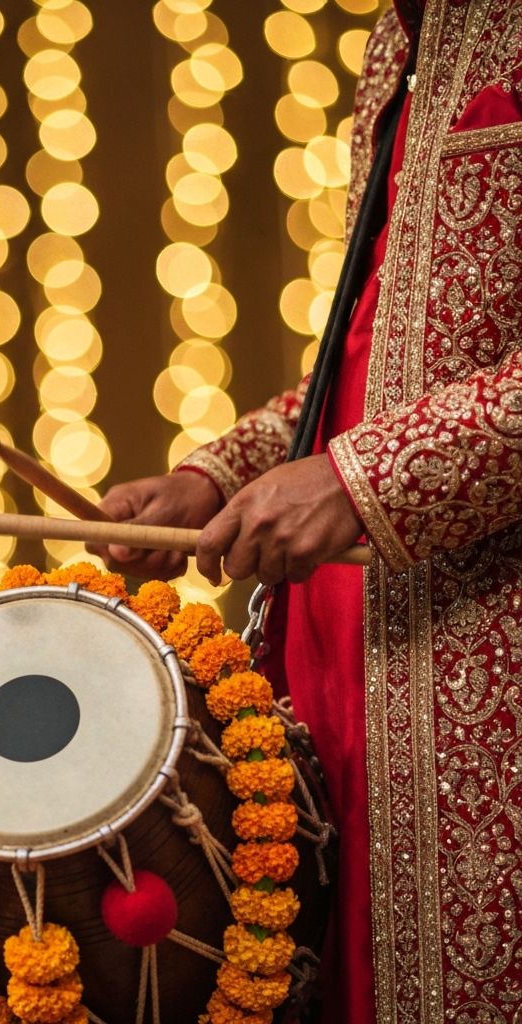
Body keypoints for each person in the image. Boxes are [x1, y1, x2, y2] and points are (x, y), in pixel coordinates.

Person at [90, 2, 522, 1022]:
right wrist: (216, 475)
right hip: (351, 655)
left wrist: (366, 478)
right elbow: (388, 354)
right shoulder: (396, 41)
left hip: (483, 669)